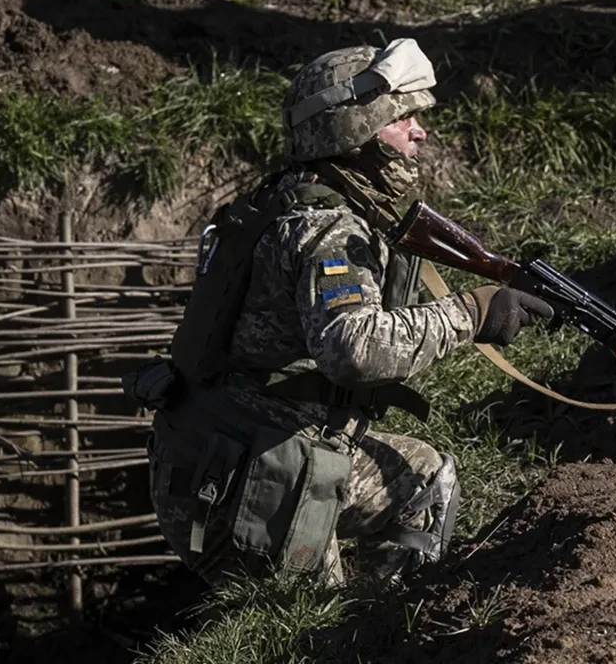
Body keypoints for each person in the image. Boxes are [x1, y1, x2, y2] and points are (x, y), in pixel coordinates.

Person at [127, 39, 553, 587]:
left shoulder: (280, 201)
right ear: (358, 127)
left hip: (210, 455)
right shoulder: (328, 228)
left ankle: (371, 616)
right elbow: (357, 350)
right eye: (404, 118)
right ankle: (371, 629)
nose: (420, 131)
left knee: (424, 473)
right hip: (249, 483)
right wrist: (473, 313)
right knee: (316, 635)